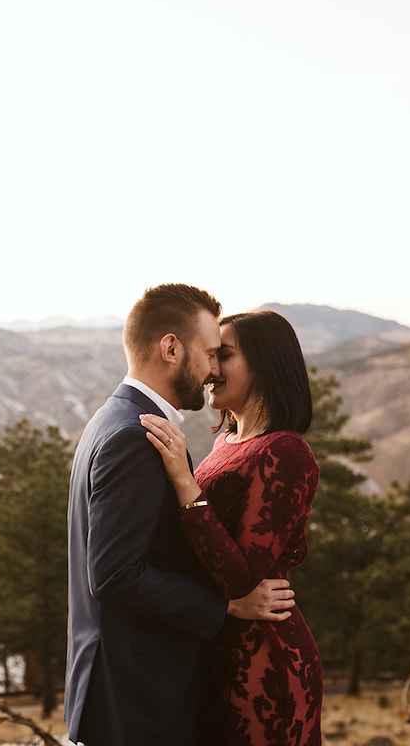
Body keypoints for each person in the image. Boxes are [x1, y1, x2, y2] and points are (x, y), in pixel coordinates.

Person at [65, 285, 297, 746]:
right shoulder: (137, 436)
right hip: (139, 704)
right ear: (170, 348)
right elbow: (113, 574)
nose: (213, 370)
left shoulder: (114, 419)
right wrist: (227, 604)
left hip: (123, 694)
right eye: (211, 353)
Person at [140, 308, 323, 745]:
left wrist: (185, 482)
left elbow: (242, 577)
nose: (210, 370)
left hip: (265, 661)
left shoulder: (286, 452)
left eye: (224, 355)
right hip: (219, 647)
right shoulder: (227, 442)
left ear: (263, 364)